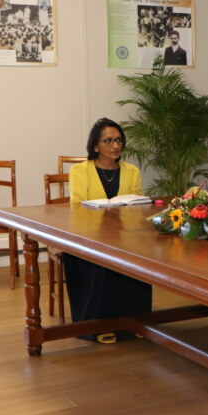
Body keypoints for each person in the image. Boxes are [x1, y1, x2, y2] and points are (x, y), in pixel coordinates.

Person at [63, 118, 152, 344]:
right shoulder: (80, 171)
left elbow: (138, 205)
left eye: (119, 140)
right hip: (89, 237)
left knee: (140, 257)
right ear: (95, 146)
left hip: (126, 235)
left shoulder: (131, 171)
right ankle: (97, 325)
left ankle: (136, 321)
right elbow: (78, 207)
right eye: (108, 141)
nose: (115, 145)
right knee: (101, 260)